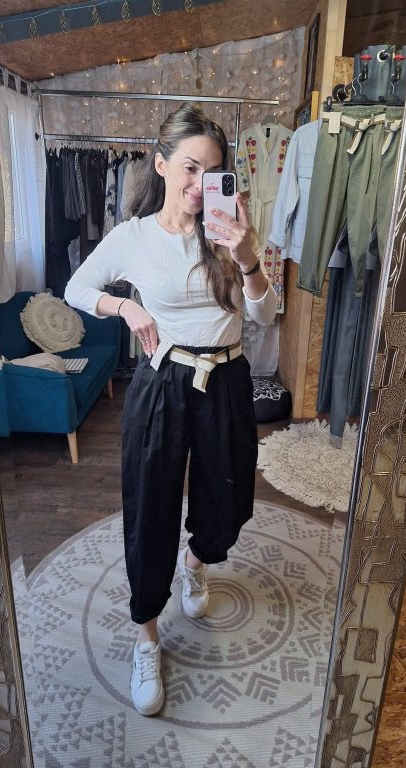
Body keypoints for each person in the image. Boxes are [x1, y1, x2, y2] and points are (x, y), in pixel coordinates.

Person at [64, 104, 277, 716]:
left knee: (229, 502)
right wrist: (126, 308)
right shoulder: (132, 238)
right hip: (162, 382)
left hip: (227, 378)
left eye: (212, 171)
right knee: (150, 507)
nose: (199, 183)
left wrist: (247, 257)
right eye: (189, 167)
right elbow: (77, 287)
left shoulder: (232, 230)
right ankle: (147, 637)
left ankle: (195, 562)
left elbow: (265, 315)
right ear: (160, 165)